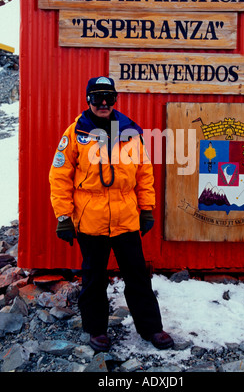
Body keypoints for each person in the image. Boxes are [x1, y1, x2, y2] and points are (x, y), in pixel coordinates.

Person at [49, 76, 174, 353]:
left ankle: (151, 327)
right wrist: (63, 217)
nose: (103, 103)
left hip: (126, 218)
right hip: (90, 220)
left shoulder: (130, 132)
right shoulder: (75, 134)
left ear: (115, 99)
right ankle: (96, 330)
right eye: (97, 97)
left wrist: (147, 209)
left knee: (138, 276)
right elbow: (59, 177)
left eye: (108, 97)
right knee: (94, 278)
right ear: (88, 100)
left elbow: (144, 173)